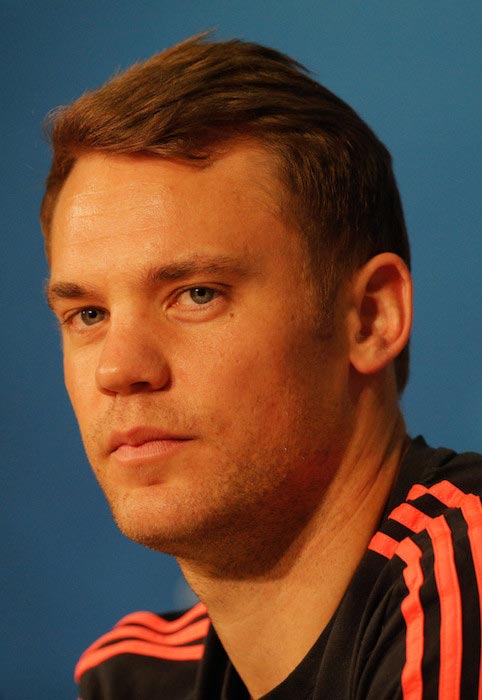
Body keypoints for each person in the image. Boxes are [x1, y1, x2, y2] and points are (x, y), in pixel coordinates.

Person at [41, 34, 481, 700]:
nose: (119, 370)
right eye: (89, 316)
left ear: (369, 318)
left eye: (197, 295)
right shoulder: (140, 676)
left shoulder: (467, 578)